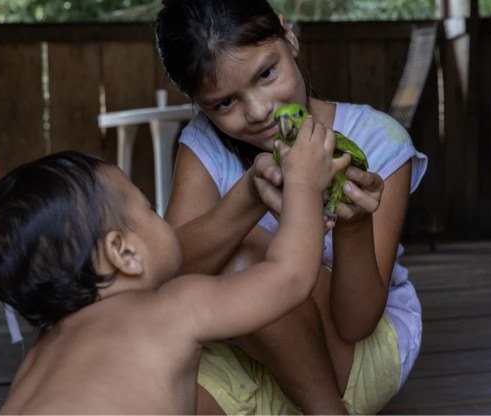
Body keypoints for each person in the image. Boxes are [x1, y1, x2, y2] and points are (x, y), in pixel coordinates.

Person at [154, 0, 429, 414]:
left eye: (267, 73)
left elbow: (357, 323)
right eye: (224, 103)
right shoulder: (205, 143)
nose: (260, 111)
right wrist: (247, 196)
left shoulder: (378, 141)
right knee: (151, 399)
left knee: (242, 260)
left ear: (289, 36)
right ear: (198, 102)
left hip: (351, 361)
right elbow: (170, 276)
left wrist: (353, 228)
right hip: (245, 353)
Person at [0, 144, 350, 414]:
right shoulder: (174, 308)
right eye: (150, 209)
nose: (159, 215)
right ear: (124, 253)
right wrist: (303, 184)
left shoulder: (36, 361)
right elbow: (289, 277)